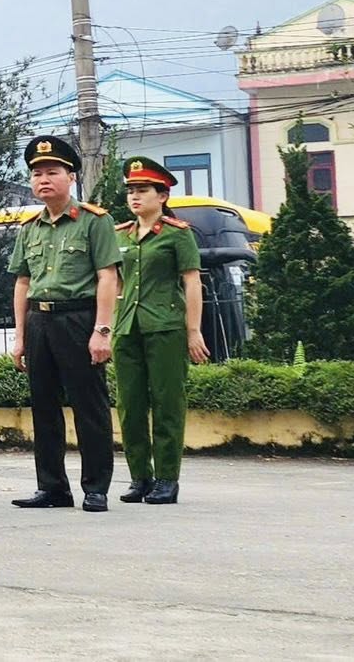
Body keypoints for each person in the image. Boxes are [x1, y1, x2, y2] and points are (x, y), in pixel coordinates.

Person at [8, 134, 122, 514]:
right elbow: (22, 282)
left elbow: (108, 277)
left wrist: (102, 330)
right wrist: (21, 336)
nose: (44, 179)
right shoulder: (29, 229)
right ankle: (52, 486)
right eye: (37, 173)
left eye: (52, 172)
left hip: (79, 318)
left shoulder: (94, 222)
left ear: (70, 177)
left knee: (89, 406)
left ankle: (96, 486)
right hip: (40, 320)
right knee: (44, 407)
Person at [113, 157, 207, 506]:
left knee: (167, 403)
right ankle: (140, 477)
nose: (135, 197)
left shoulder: (177, 234)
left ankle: (167, 479)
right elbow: (113, 282)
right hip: (127, 327)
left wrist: (193, 331)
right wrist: (107, 322)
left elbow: (192, 282)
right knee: (130, 405)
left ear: (162, 196)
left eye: (143, 191)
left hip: (165, 326)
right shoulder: (119, 234)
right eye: (131, 192)